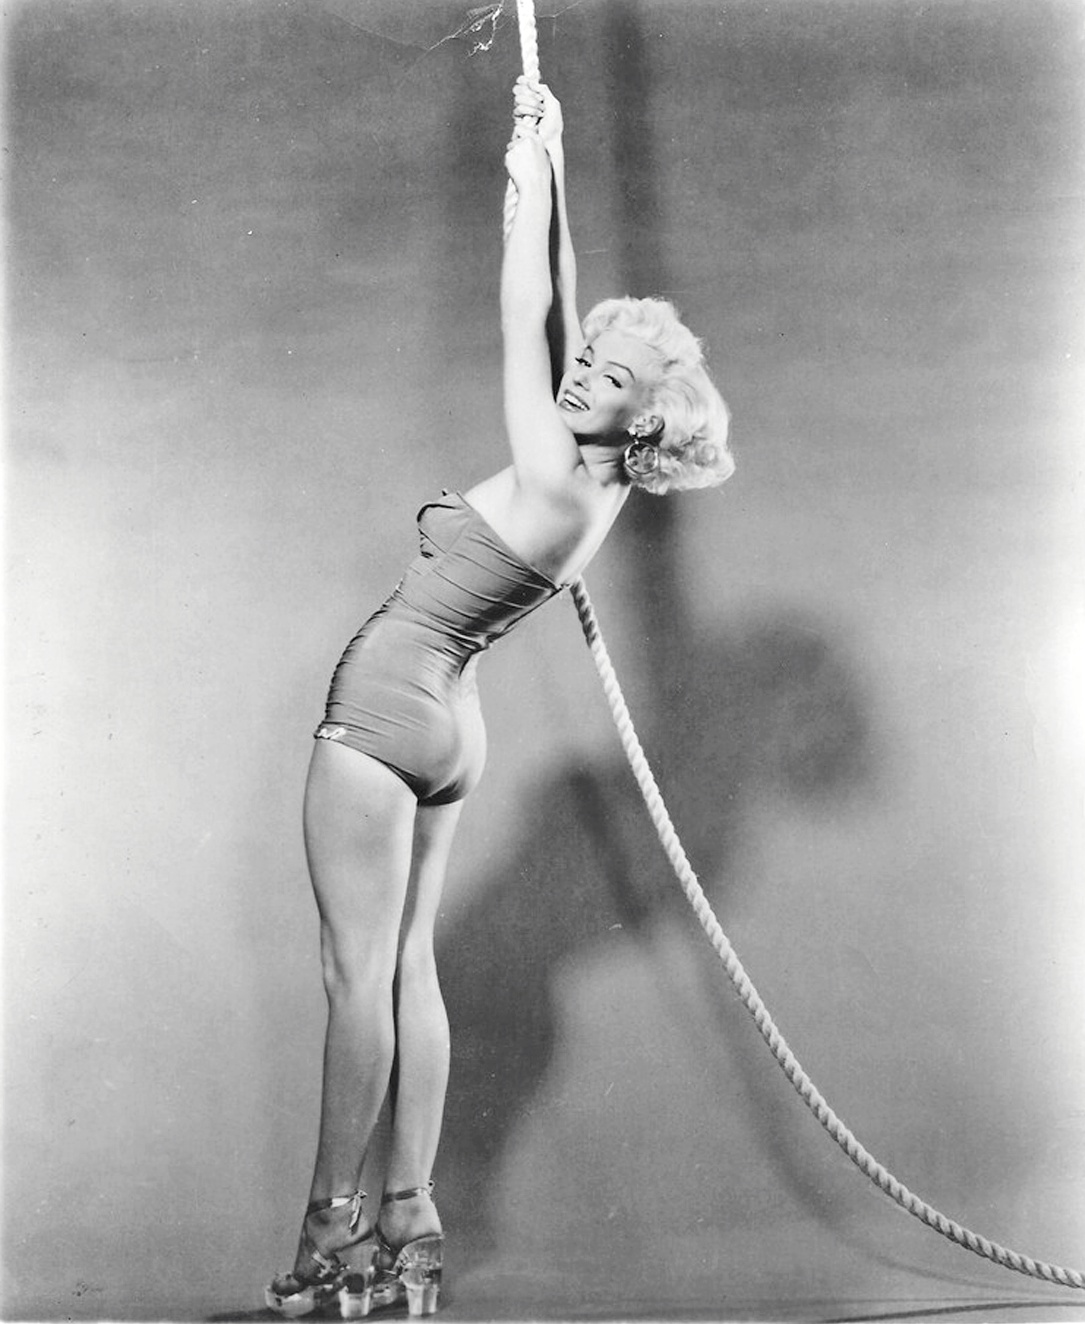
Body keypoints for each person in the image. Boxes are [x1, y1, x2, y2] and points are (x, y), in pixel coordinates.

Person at [265, 77, 733, 1320]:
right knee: (409, 969)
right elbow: (562, 310)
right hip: (450, 732)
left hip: (383, 715)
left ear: (645, 417)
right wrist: (555, 157)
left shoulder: (553, 470)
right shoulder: (595, 487)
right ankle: (410, 1236)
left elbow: (523, 309)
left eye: (610, 378)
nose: (583, 379)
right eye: (591, 364)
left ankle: (324, 1241)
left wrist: (517, 187)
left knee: (354, 979)